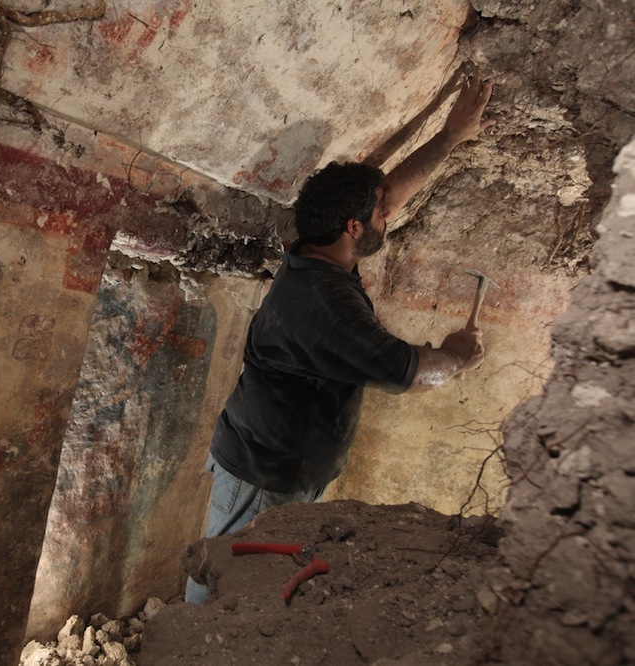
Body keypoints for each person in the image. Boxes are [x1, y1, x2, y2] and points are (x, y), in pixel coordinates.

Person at [185, 75, 495, 604]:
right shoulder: (326, 309)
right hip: (263, 476)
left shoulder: (310, 242)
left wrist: (449, 137)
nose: (389, 214)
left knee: (248, 582)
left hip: (269, 461)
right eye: (379, 214)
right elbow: (411, 370)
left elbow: (389, 192)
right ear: (353, 226)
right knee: (226, 590)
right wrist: (459, 357)